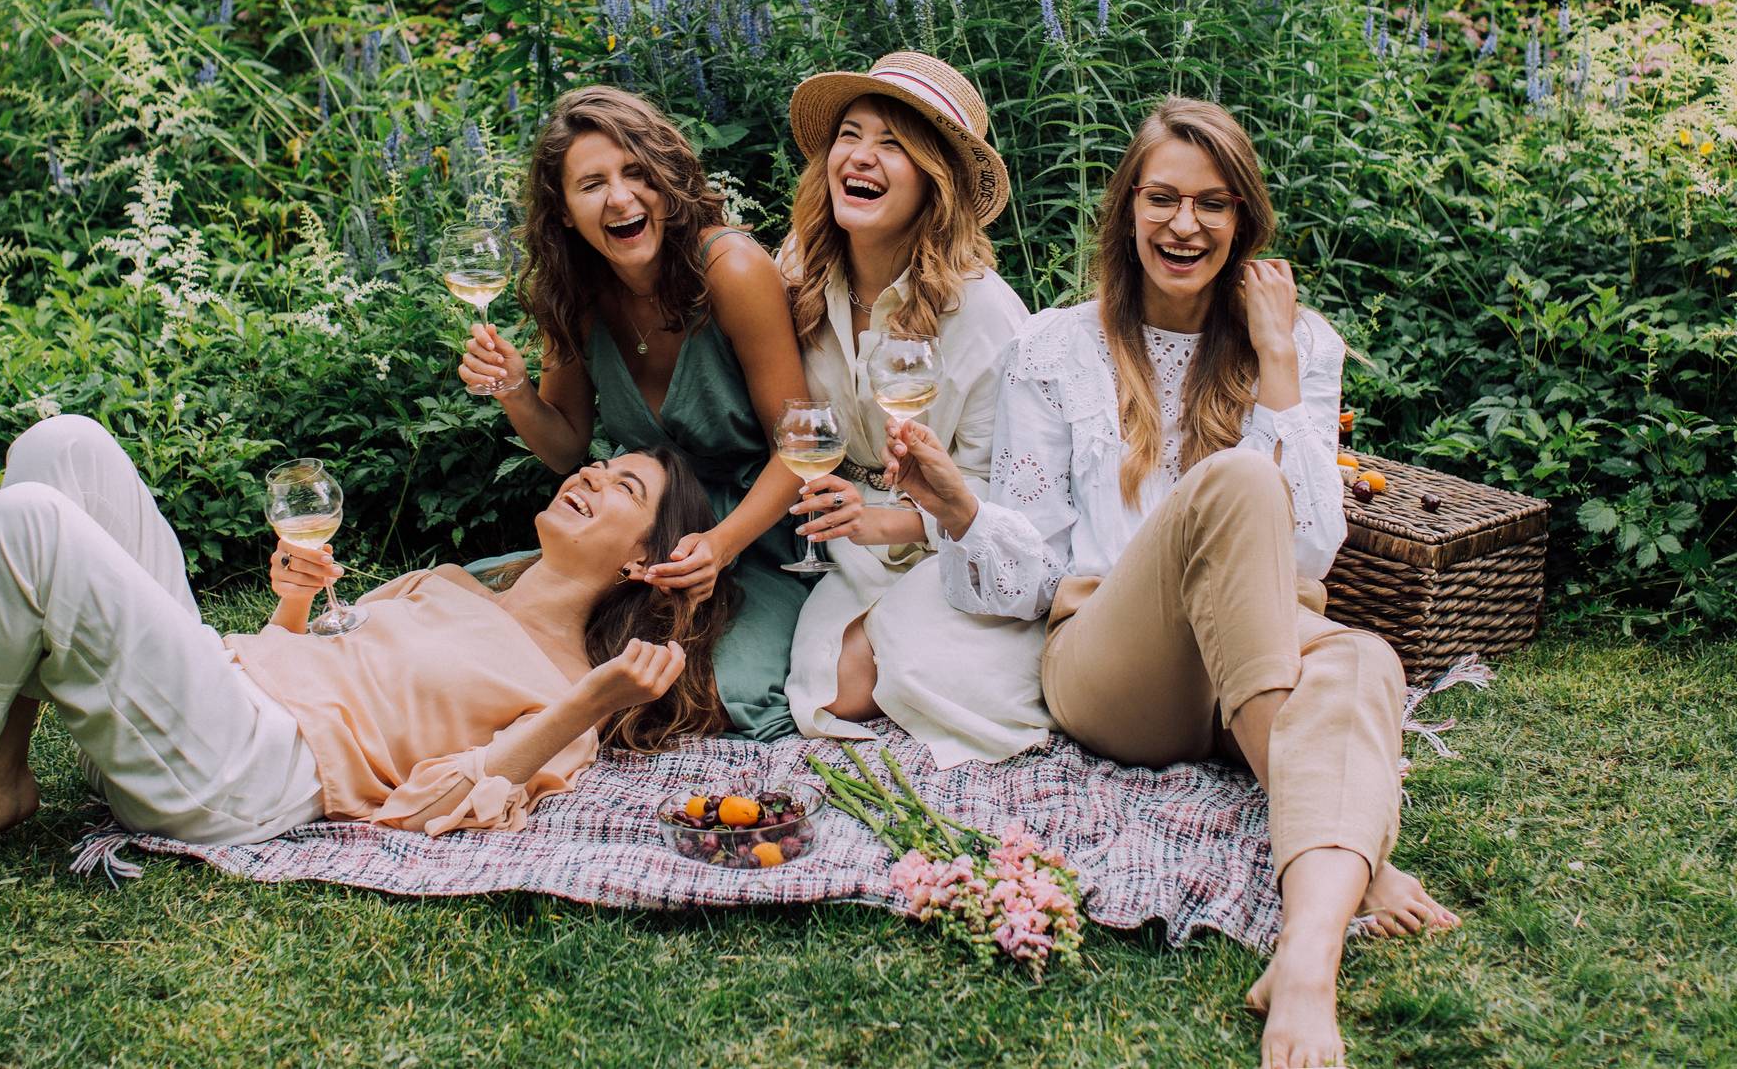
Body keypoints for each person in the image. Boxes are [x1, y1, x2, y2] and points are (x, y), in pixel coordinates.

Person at [882, 97, 1460, 1069]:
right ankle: (1358, 847)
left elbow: (1312, 553)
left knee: (1364, 654)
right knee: (1239, 482)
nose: (1185, 223)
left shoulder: (1299, 345)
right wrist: (960, 506)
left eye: (1213, 203)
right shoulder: (1057, 348)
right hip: (1119, 668)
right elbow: (1027, 575)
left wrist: (1276, 362)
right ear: (1127, 211)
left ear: (1244, 221)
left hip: (1259, 654)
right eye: (1162, 198)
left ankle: (1308, 955)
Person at [0, 414, 725, 899]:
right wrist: (292, 600)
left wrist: (595, 701)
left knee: (29, 525)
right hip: (224, 683)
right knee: (64, 449)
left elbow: (435, 806)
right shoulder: (445, 582)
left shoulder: (569, 687)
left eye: (623, 487)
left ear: (642, 558)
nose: (590, 476)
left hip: (252, 771)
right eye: (597, 466)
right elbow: (304, 654)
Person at [459, 87, 810, 740]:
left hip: (754, 538)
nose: (621, 198)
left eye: (637, 174)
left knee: (714, 693)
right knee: (485, 619)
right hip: (636, 538)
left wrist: (721, 545)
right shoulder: (572, 292)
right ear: (564, 212)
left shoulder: (732, 270)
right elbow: (567, 448)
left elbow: (801, 447)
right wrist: (514, 388)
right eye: (592, 184)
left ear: (667, 183)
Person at [777, 52, 1047, 767]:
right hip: (849, 546)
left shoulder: (985, 314)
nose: (862, 157)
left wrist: (889, 520)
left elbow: (1013, 500)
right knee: (829, 692)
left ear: (936, 183)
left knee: (904, 670)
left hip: (955, 545)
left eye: (894, 145)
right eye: (851, 135)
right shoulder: (803, 272)